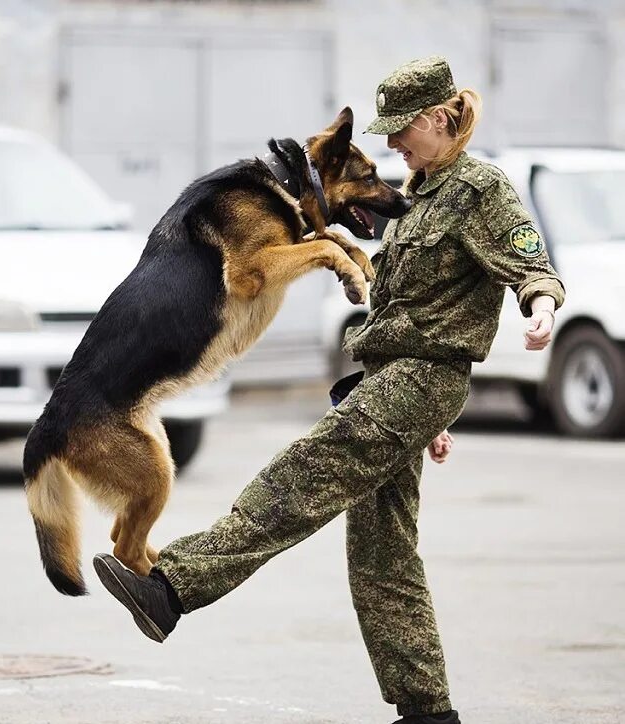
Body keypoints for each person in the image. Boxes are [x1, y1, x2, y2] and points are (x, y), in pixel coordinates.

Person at [93, 55, 565, 724]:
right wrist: (426, 412)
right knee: (382, 558)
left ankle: (172, 587)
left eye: (403, 129)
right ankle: (428, 712)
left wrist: (540, 309)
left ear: (438, 118)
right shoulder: (416, 192)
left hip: (419, 380)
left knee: (298, 479)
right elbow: (408, 311)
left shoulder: (478, 188)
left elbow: (529, 264)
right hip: (396, 383)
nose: (394, 143)